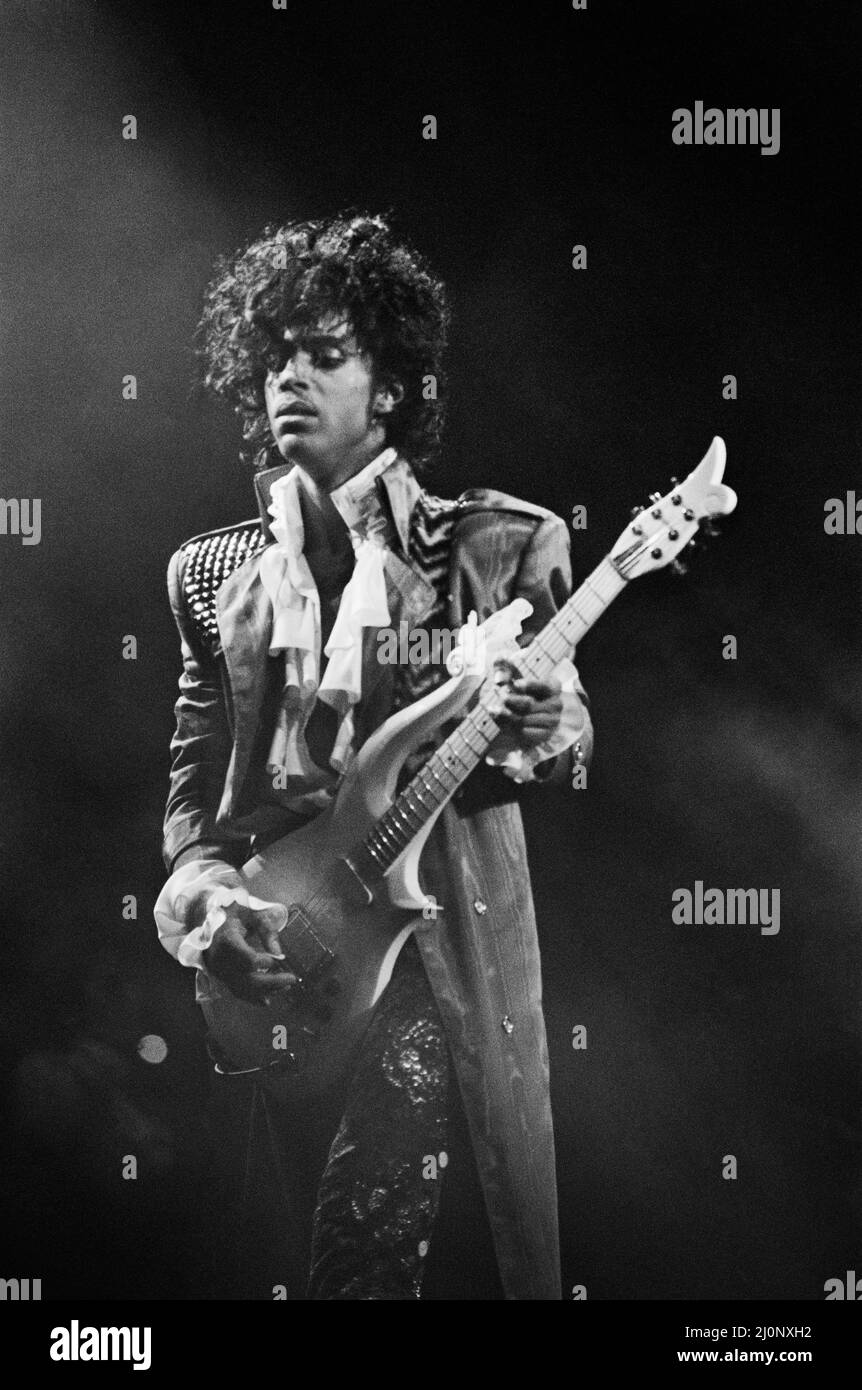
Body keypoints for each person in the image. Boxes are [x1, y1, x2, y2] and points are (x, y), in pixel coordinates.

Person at [153, 213, 593, 1300]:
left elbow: (569, 715)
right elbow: (194, 797)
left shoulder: (493, 543)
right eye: (275, 357)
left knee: (370, 1244)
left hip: (437, 958)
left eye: (325, 353)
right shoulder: (208, 573)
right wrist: (207, 907)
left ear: (390, 386)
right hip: (283, 962)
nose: (288, 377)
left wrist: (549, 722)